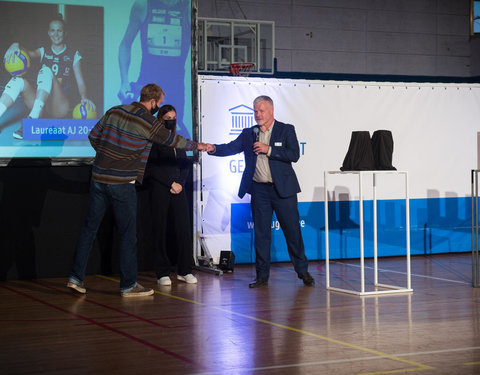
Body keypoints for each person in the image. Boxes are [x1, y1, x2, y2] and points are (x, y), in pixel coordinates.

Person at [67, 83, 205, 297]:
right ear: (152, 102)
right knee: (128, 235)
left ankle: (75, 278)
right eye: (158, 104)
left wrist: (107, 156)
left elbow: (93, 136)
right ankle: (129, 285)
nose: (157, 108)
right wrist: (201, 146)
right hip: (122, 183)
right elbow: (173, 140)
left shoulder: (114, 110)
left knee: (88, 230)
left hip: (98, 178)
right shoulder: (148, 121)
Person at [205, 95, 314, 288]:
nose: (257, 115)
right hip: (259, 191)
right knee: (261, 234)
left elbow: (294, 154)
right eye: (255, 111)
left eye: (261, 111)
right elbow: (231, 147)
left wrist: (269, 149)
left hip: (284, 191)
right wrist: (213, 148)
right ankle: (262, 276)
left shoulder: (286, 130)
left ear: (271, 111)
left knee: (293, 232)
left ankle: (303, 272)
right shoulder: (249, 133)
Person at [0, 15, 96, 139]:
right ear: (48, 32)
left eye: (59, 30)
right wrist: (15, 44)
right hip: (41, 105)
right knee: (18, 80)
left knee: (46, 70)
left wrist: (84, 97)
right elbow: (26, 52)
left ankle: (32, 120)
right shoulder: (43, 51)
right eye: (53, 30)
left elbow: (81, 82)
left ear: (65, 33)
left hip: (59, 106)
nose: (56, 34)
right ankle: (32, 114)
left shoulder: (73, 54)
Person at [141, 104, 197, 286]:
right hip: (160, 188)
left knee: (183, 229)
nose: (172, 121)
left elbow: (186, 164)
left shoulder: (178, 139)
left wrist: (180, 183)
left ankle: (185, 270)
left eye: (174, 117)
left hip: (179, 189)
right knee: (160, 229)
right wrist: (169, 183)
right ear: (160, 120)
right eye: (168, 118)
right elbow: (151, 168)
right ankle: (162, 272)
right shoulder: (153, 140)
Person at [118, 0, 190, 137]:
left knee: (172, 135)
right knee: (140, 131)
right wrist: (124, 81)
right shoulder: (143, 5)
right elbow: (125, 44)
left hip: (176, 87)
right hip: (147, 84)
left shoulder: (188, 8)